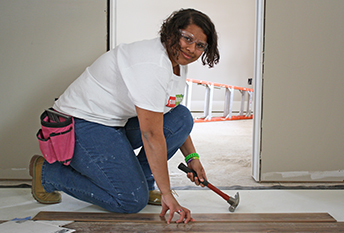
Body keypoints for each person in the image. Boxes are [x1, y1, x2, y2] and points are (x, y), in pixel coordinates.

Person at [29, 8, 219, 224]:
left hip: (114, 123)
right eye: (187, 38)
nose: (191, 48)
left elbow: (169, 112)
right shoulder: (152, 63)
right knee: (129, 200)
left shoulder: (176, 63)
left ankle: (144, 183)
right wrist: (168, 194)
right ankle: (47, 174)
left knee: (181, 117)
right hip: (82, 124)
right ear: (172, 33)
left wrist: (192, 158)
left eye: (200, 45)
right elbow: (151, 134)